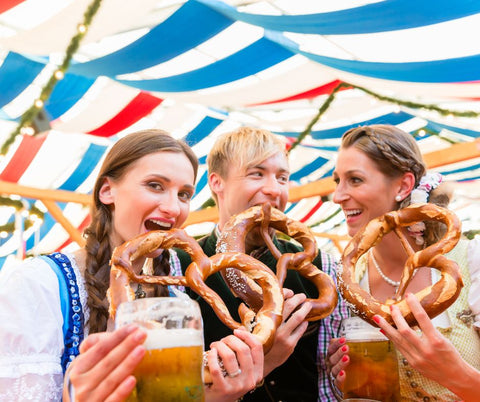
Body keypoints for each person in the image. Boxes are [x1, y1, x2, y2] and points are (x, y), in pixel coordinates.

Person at [0, 130, 264, 402]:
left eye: (184, 194)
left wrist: (216, 396)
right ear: (107, 191)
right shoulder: (38, 286)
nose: (173, 208)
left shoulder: (174, 292)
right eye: (155, 185)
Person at [175, 127, 349, 402]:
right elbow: (173, 386)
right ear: (216, 182)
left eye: (282, 178)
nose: (273, 190)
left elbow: (330, 383)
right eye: (257, 174)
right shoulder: (177, 264)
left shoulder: (320, 265)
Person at [328, 124, 480, 401]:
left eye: (355, 180)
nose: (338, 196)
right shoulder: (351, 278)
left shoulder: (472, 261)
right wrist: (344, 379)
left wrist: (456, 373)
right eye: (337, 181)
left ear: (404, 185)